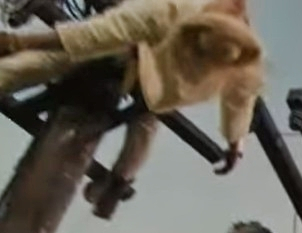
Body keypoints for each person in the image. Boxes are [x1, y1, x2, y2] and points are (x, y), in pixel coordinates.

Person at [0, 0, 264, 182]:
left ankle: (118, 183)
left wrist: (236, 143)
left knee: (147, 121)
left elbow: (241, 99)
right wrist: (19, 42)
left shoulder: (242, 60)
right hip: (134, 52)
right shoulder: (171, 11)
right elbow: (96, 35)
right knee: (55, 61)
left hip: (158, 85)